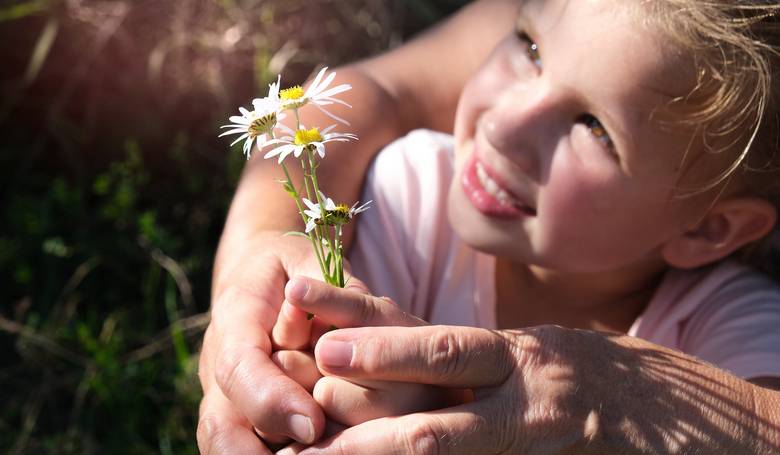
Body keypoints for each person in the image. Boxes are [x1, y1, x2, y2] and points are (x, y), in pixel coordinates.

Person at [197, 0, 780, 453]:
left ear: (708, 230)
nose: (503, 126)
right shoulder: (410, 195)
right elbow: (301, 359)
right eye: (530, 47)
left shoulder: (733, 329)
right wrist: (279, 344)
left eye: (595, 129)